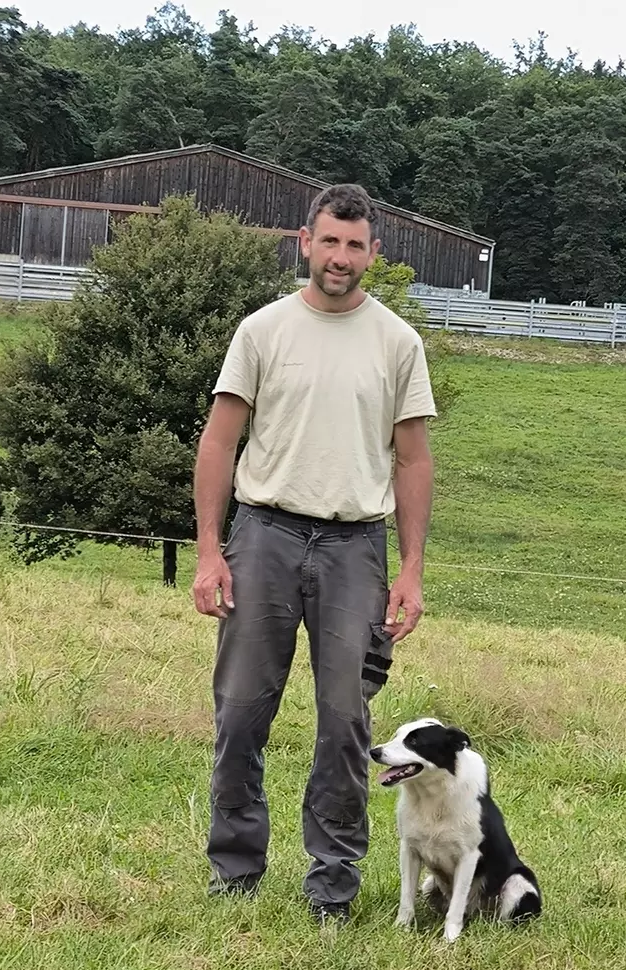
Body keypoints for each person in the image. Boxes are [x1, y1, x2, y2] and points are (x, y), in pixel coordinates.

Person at [192, 182, 436, 927]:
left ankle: (332, 883)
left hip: (353, 545)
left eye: (354, 245)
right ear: (305, 242)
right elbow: (219, 441)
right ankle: (234, 869)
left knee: (344, 722)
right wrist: (210, 550)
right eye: (328, 241)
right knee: (240, 712)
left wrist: (411, 569)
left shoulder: (397, 343)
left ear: (373, 252)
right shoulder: (263, 331)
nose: (340, 257)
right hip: (262, 535)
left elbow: (413, 461)